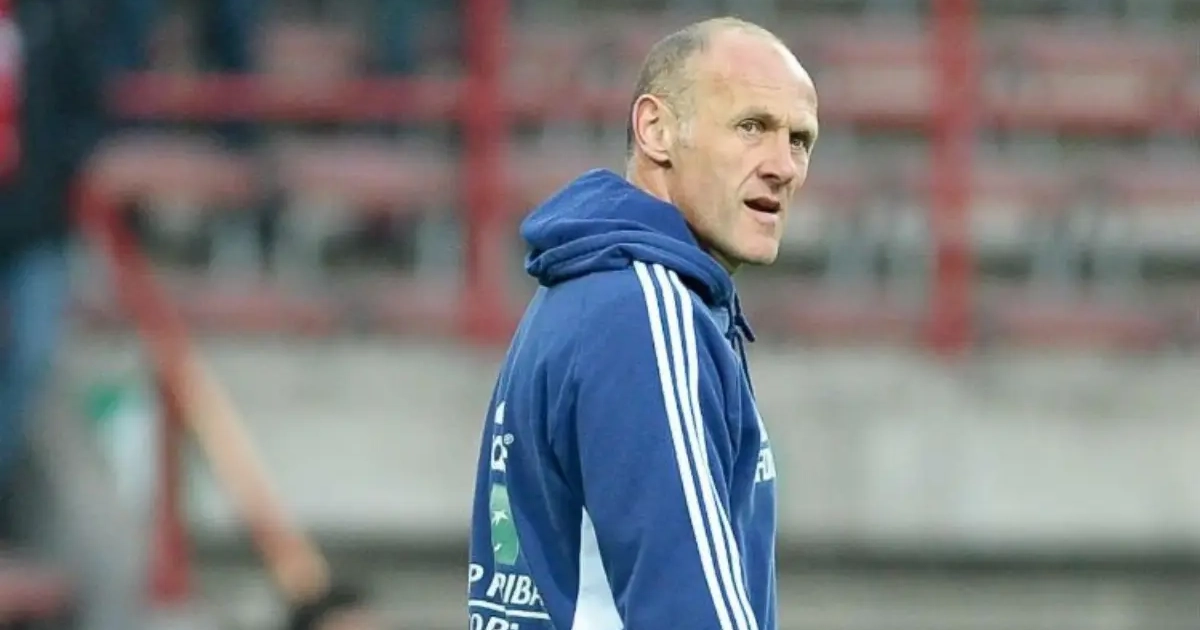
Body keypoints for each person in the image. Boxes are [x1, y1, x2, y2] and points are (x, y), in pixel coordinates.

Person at [466, 16, 819, 630]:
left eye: (800, 140)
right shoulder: (644, 315)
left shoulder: (591, 292)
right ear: (656, 129)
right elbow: (687, 610)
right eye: (751, 127)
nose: (783, 166)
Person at [0, 0, 109, 540]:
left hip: (35, 224)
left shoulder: (54, 18)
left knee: (33, 355)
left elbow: (86, 111)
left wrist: (53, 177)